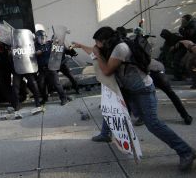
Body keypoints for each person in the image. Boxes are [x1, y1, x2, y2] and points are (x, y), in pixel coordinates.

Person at [73, 26, 195, 171]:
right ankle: (105, 134)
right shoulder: (111, 47)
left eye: (97, 42)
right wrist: (81, 46)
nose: (96, 45)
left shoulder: (120, 49)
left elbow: (106, 70)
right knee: (112, 108)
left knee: (153, 124)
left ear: (105, 41)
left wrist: (98, 54)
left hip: (143, 90)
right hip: (131, 89)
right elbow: (94, 52)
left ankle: (186, 151)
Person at [134, 59, 193, 126]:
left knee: (142, 95)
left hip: (149, 74)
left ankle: (143, 117)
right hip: (159, 73)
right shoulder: (146, 57)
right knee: (171, 94)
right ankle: (186, 116)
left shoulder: (132, 56)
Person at [35, 30, 68, 105]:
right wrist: (36, 53)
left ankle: (63, 98)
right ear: (37, 38)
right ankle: (45, 98)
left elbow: (58, 45)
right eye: (40, 38)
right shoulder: (35, 46)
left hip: (51, 67)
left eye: (44, 37)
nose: (42, 39)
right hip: (41, 69)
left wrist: (58, 40)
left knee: (56, 83)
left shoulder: (49, 43)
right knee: (41, 84)